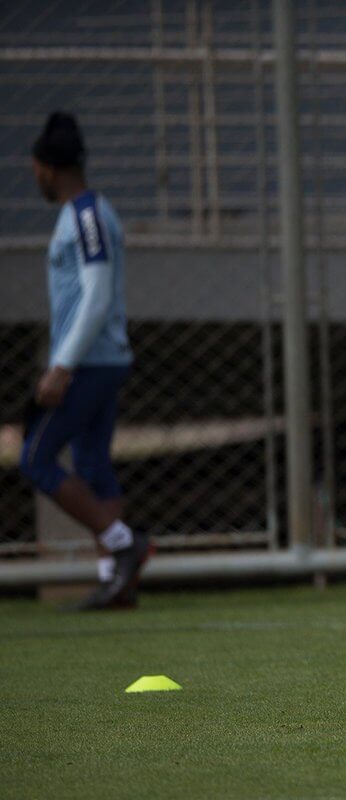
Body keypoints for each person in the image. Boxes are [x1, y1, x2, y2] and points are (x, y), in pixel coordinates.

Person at [19, 111, 151, 610]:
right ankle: (116, 581)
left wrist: (62, 365)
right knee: (93, 463)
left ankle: (122, 544)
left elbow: (96, 295)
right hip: (99, 359)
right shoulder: (84, 215)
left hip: (91, 362)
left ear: (46, 169)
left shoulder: (87, 216)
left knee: (34, 458)